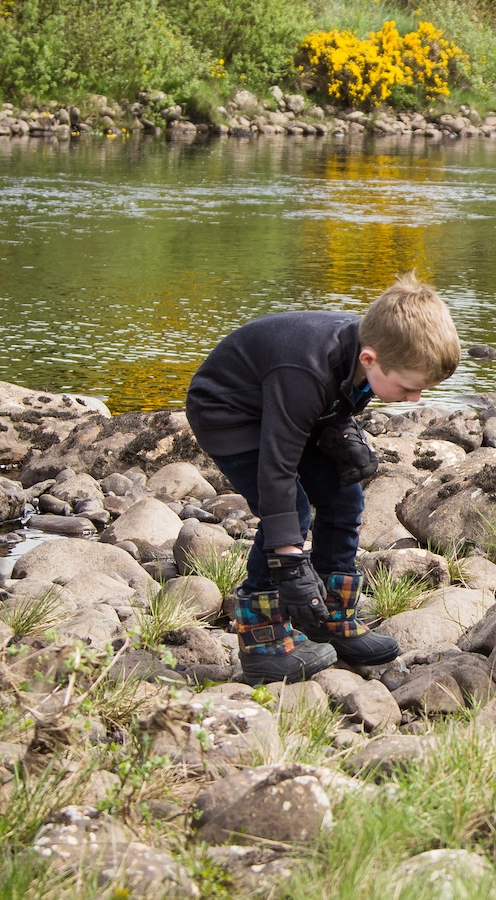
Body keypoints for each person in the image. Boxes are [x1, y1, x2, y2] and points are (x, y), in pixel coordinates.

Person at [186, 273, 461, 684]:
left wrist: (341, 428)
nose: (415, 400)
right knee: (290, 513)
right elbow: (276, 469)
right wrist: (290, 564)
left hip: (285, 407)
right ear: (369, 360)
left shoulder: (373, 350)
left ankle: (330, 618)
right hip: (229, 413)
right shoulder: (305, 369)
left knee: (344, 496)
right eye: (408, 389)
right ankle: (262, 640)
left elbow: (336, 396)